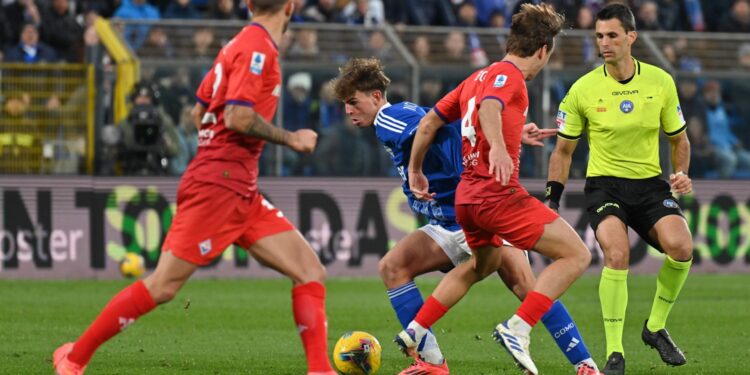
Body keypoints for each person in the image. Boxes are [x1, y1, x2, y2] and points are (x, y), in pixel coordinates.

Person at [52, 1, 337, 375]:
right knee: (162, 286)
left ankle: (320, 371)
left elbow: (198, 110)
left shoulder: (235, 44)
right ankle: (74, 360)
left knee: (310, 271)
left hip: (239, 188)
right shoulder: (258, 48)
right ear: (291, 6)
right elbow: (237, 116)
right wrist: (291, 138)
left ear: (250, 4)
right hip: (218, 185)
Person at [332, 57, 602, 375]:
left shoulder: (388, 118)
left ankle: (584, 363)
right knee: (393, 267)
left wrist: (466, 168)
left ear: (376, 96)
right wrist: (504, 134)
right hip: (448, 221)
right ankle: (431, 362)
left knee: (529, 288)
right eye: (344, 104)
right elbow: (455, 128)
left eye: (353, 101)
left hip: (473, 212)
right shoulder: (399, 114)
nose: (349, 110)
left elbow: (436, 132)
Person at [401, 5, 593, 375]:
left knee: (481, 265)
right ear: (542, 50)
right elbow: (490, 108)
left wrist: (415, 171)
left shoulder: (476, 77)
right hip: (496, 194)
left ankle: (417, 327)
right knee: (576, 255)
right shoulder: (510, 77)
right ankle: (518, 328)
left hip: (467, 200)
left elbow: (429, 123)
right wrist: (502, 149)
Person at [546, 4, 693, 375]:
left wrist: (680, 173)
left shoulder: (660, 82)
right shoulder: (583, 88)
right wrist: (553, 197)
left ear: (631, 37)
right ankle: (615, 353)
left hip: (649, 185)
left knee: (682, 247)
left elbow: (679, 139)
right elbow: (563, 151)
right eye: (599, 36)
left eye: (612, 35)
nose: (604, 43)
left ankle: (655, 327)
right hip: (604, 186)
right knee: (616, 253)